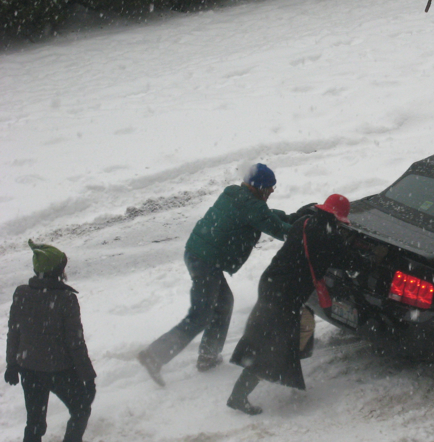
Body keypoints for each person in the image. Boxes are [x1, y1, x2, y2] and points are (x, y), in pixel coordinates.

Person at [138, 163, 296, 386]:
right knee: (200, 315)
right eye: (270, 187)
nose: (272, 191)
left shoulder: (233, 193)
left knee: (222, 304)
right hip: (206, 263)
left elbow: (264, 216)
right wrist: (302, 229)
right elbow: (275, 227)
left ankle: (208, 357)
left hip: (196, 254)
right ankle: (154, 355)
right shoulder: (253, 207)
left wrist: (290, 217)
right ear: (260, 187)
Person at [227, 194, 358, 415]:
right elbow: (347, 260)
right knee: (269, 347)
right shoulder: (328, 238)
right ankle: (238, 396)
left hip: (271, 283)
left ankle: (292, 356)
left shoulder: (304, 222)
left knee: (303, 321)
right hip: (285, 296)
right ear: (336, 217)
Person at [5, 241, 96, 442]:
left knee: (35, 421)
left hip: (29, 370)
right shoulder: (65, 299)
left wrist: (11, 364)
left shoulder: (22, 294)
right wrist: (88, 376)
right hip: (59, 370)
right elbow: (75, 343)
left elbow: (14, 332)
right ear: (58, 271)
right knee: (80, 409)